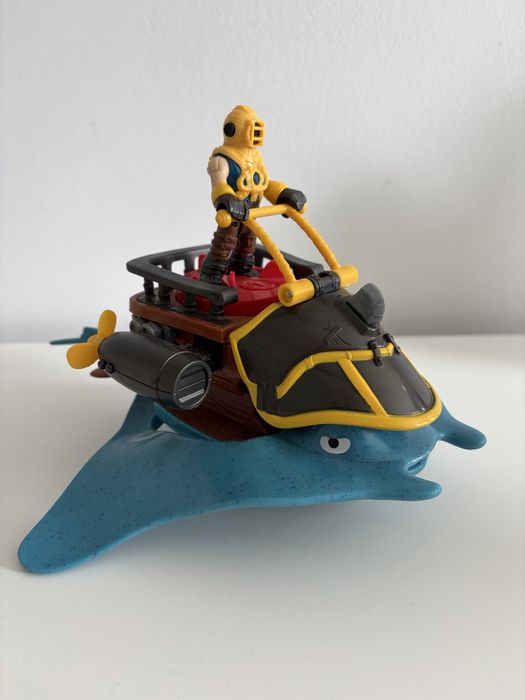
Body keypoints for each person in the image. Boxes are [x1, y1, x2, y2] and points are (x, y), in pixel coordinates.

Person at [199, 105, 307, 284]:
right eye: (251, 128)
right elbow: (219, 183)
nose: (256, 133)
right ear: (232, 129)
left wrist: (283, 193)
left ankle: (243, 268)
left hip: (252, 213)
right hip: (233, 215)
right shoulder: (221, 160)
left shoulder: (256, 160)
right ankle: (212, 273)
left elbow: (263, 184)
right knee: (225, 242)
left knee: (248, 243)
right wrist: (227, 198)